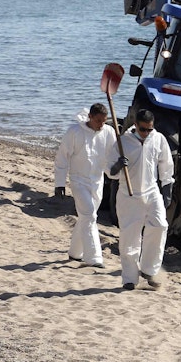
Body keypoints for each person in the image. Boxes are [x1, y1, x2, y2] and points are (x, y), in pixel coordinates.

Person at [109, 109, 174, 290]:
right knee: (130, 237)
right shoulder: (123, 142)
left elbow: (166, 164)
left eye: (149, 129)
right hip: (128, 195)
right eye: (143, 129)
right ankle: (130, 278)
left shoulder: (158, 138)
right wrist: (118, 165)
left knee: (160, 225)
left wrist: (167, 189)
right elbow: (109, 171)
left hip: (152, 191)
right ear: (135, 125)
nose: (146, 133)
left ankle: (149, 269)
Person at [53, 103, 116, 268]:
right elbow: (62, 157)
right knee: (89, 216)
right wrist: (59, 183)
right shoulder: (74, 132)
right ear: (90, 117)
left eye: (104, 121)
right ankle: (94, 257)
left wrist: (118, 166)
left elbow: (111, 158)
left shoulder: (109, 132)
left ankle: (75, 252)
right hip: (78, 180)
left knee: (86, 217)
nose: (101, 124)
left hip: (97, 182)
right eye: (98, 121)